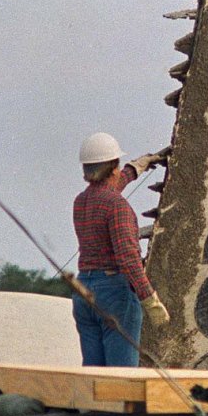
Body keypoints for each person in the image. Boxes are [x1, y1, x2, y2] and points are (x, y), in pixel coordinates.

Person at [72, 132, 170, 366]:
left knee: (94, 378)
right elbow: (128, 259)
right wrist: (150, 300)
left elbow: (106, 189)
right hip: (114, 294)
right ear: (113, 168)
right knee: (121, 378)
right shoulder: (117, 206)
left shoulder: (81, 201)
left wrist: (136, 167)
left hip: (83, 291)